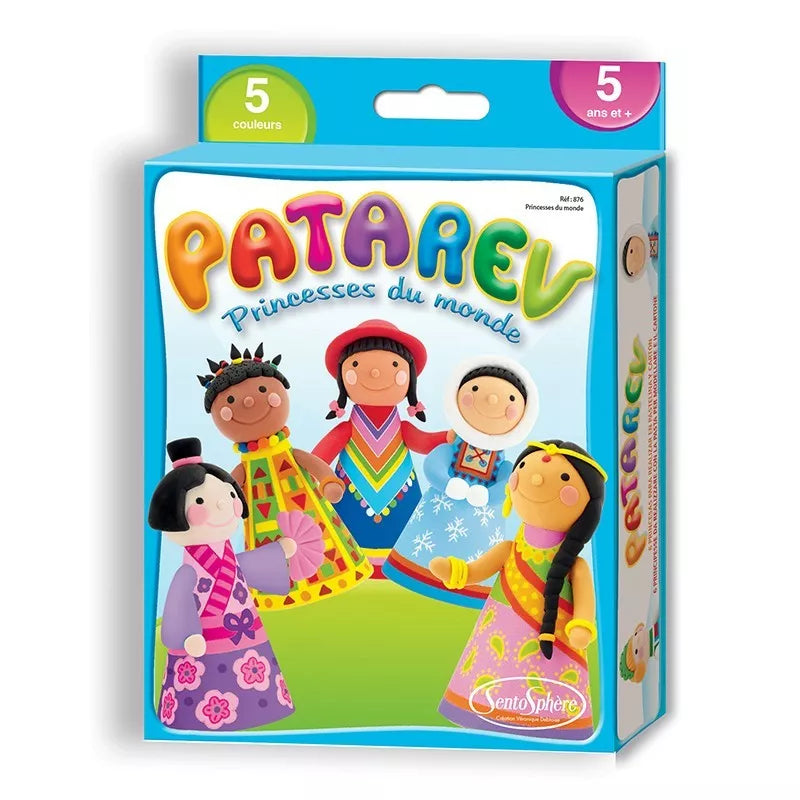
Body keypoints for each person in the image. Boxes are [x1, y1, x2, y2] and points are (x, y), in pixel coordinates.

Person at [432, 440, 606, 739]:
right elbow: (476, 570)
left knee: (549, 685)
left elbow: (585, 604)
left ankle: (547, 719)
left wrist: (581, 625)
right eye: (524, 467)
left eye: (564, 478)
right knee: (491, 667)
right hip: (499, 631)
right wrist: (457, 571)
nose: (535, 479)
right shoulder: (508, 549)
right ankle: (483, 709)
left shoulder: (576, 567)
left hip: (557, 643)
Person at [150, 437, 324, 731]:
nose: (223, 504)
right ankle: (203, 717)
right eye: (200, 502)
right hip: (202, 647)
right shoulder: (188, 571)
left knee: (253, 681)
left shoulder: (228, 557)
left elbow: (244, 567)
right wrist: (187, 635)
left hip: (246, 637)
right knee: (202, 692)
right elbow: (178, 604)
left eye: (230, 495)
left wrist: (279, 552)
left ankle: (262, 709)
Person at [198, 344, 372, 608]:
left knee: (323, 543)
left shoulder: (290, 454)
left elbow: (314, 464)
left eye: (262, 390)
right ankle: (275, 593)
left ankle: (337, 576)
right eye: (230, 401)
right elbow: (229, 490)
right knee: (269, 554)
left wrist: (328, 481)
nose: (248, 401)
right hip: (263, 527)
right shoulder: (245, 467)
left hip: (310, 516)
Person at [383, 357, 538, 607]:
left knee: (479, 558)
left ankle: (472, 587)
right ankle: (411, 572)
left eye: (511, 399)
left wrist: (488, 495)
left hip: (483, 523)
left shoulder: (505, 463)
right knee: (423, 550)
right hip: (438, 511)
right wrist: (447, 484)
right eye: (475, 389)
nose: (492, 400)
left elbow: (506, 485)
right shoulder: (452, 446)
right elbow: (434, 465)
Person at [312, 320, 448, 577]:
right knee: (348, 534)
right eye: (356, 365)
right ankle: (351, 565)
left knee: (404, 535)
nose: (375, 373)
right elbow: (318, 458)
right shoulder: (347, 429)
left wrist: (452, 437)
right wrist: (303, 468)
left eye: (395, 365)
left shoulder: (402, 428)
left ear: (410, 379)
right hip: (347, 497)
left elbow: (424, 441)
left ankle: (401, 567)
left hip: (400, 496)